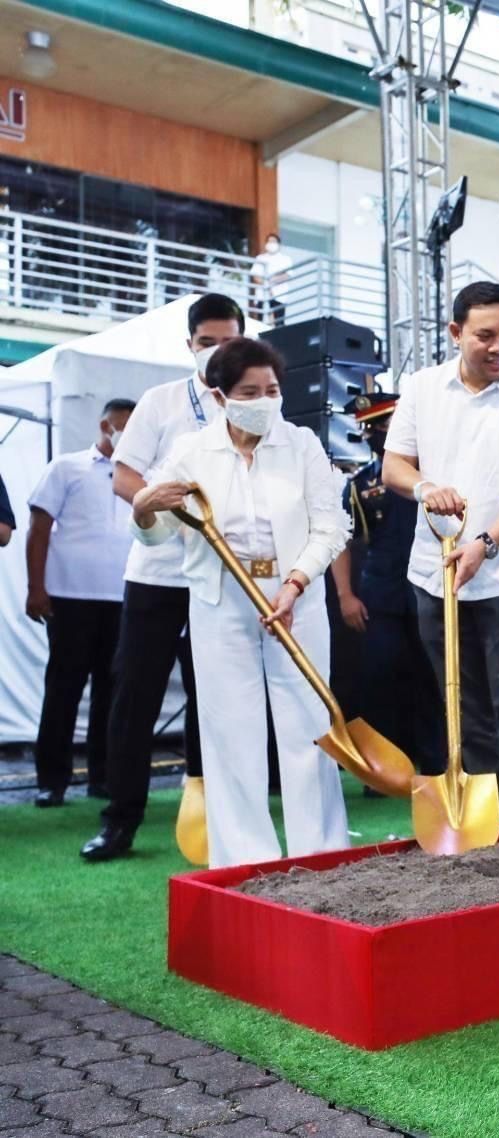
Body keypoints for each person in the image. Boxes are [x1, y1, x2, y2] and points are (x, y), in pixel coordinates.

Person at [129, 338, 351, 868]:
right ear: (220, 395)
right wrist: (142, 508)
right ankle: (244, 859)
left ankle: (318, 853)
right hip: (220, 599)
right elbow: (158, 533)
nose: (264, 400)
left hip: (295, 594)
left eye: (272, 389)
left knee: (309, 724)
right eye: (249, 391)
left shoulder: (301, 445)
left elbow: (331, 525)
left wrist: (294, 584)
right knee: (232, 728)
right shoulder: (191, 452)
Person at [382, 281, 499, 835]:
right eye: (485, 335)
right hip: (432, 571)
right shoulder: (421, 388)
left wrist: (484, 544)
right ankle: (482, 816)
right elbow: (394, 469)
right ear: (456, 333)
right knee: (459, 698)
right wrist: (425, 488)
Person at [82, 292, 244, 862]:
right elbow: (123, 477)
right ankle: (119, 820)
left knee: (218, 696)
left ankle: (215, 813)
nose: (217, 352)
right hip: (156, 571)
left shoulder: (253, 400)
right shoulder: (160, 402)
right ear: (190, 347)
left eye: (228, 341)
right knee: (135, 694)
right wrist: (158, 501)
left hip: (225, 575)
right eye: (207, 343)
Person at [25, 398, 138, 806]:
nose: (125, 433)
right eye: (120, 425)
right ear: (104, 425)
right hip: (70, 595)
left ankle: (102, 776)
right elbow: (39, 530)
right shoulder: (66, 467)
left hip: (123, 597)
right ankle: (51, 779)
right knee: (64, 687)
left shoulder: (141, 478)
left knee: (112, 691)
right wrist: (36, 588)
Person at [331, 392, 442, 776]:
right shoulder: (361, 484)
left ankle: (437, 764)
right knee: (379, 679)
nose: (379, 434)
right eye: (372, 429)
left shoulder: (434, 474)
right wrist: (345, 594)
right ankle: (384, 769)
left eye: (385, 426)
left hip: (431, 589)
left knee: (434, 678)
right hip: (381, 595)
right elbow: (340, 539)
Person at [250, 233, 293, 327]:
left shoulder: (285, 259)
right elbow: (255, 276)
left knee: (278, 323)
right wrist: (267, 285)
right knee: (260, 323)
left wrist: (270, 282)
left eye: (273, 241)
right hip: (262, 295)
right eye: (269, 241)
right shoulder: (260, 258)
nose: (271, 244)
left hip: (279, 295)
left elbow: (287, 275)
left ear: (278, 244)